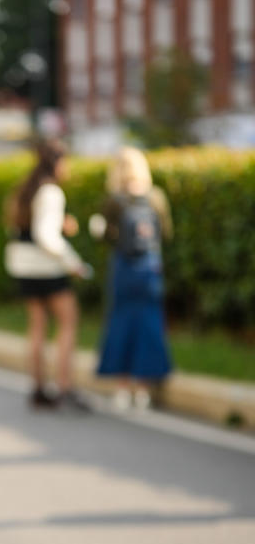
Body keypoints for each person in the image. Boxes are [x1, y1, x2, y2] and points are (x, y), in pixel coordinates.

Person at [5, 140, 92, 409]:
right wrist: (75, 264)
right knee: (67, 323)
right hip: (47, 268)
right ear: (57, 162)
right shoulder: (51, 191)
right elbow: (46, 236)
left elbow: (26, 227)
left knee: (37, 327)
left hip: (24, 267)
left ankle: (39, 388)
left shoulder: (25, 189)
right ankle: (65, 387)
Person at [91, 147, 173, 409]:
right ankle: (144, 389)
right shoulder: (156, 197)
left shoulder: (114, 200)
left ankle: (123, 388)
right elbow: (166, 233)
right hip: (150, 267)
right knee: (149, 324)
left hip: (124, 268)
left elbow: (105, 235)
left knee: (121, 323)